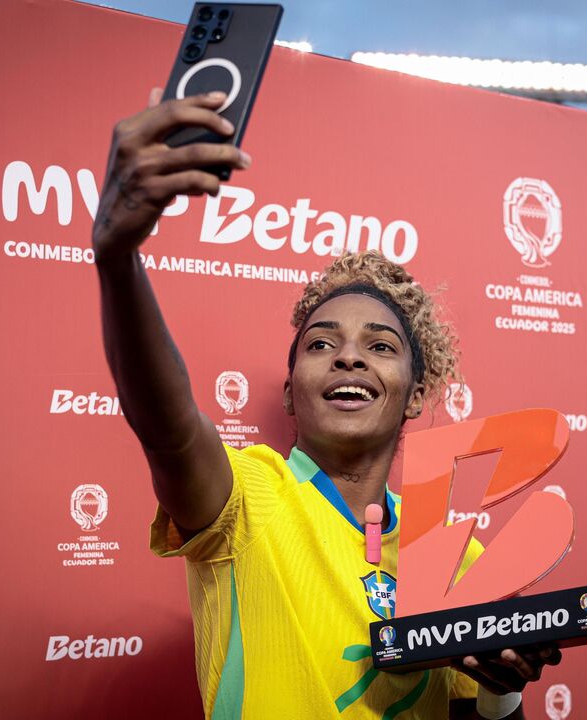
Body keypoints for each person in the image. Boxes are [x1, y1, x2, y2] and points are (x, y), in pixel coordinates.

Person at [92, 88, 561, 720]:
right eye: (320, 343)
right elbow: (167, 427)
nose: (348, 357)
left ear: (417, 392)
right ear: (291, 389)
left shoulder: (455, 554)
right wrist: (119, 260)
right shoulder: (247, 497)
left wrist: (503, 690)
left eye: (381, 346)